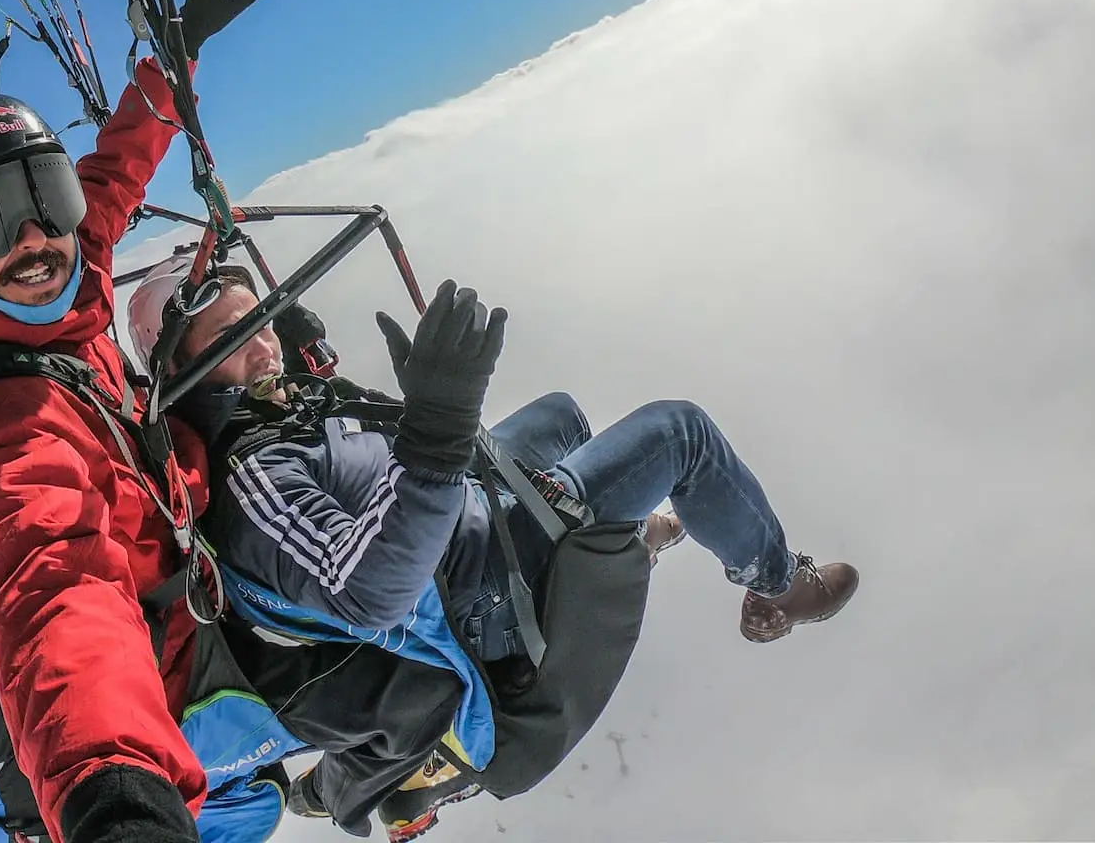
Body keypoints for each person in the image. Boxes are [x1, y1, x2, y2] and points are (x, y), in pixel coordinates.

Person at [126, 260, 860, 839]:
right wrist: (436, 430)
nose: (260, 346)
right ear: (185, 377)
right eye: (230, 340)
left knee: (562, 416)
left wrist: (358, 391)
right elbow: (369, 590)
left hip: (467, 511)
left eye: (258, 323)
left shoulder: (282, 402)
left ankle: (633, 532)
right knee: (679, 434)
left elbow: (359, 458)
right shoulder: (256, 474)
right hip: (481, 589)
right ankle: (774, 586)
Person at [0, 0, 268, 843]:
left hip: (175, 516)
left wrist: (176, 62)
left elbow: (116, 170)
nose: (30, 237)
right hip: (162, 678)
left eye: (38, 194)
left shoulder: (68, 260)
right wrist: (117, 800)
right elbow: (54, 589)